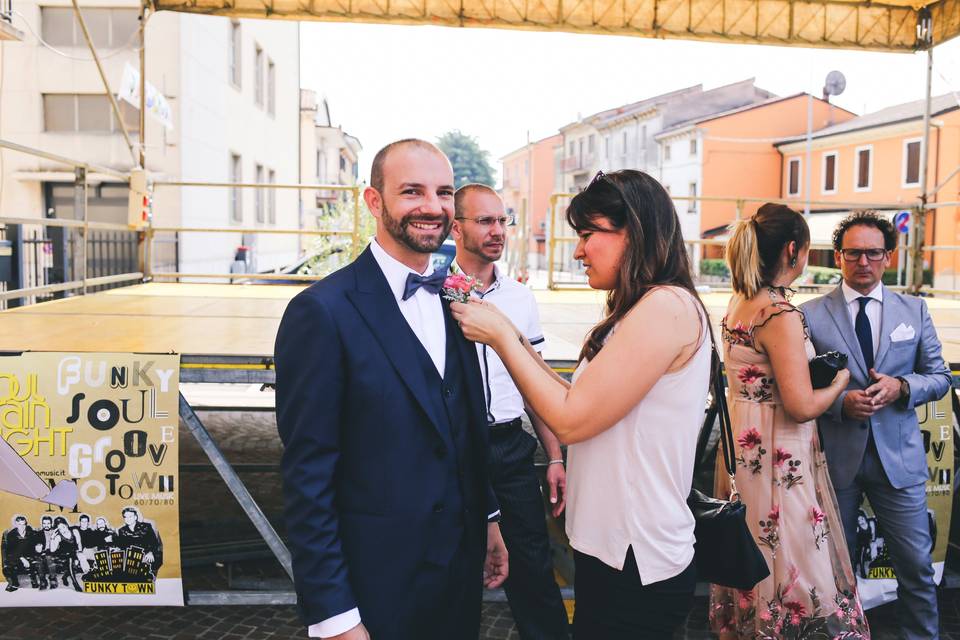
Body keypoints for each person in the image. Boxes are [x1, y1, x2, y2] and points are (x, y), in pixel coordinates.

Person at [453, 169, 710, 638]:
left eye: (589, 234)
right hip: (611, 550)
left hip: (638, 556)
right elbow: (576, 398)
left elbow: (571, 420)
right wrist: (508, 333)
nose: (577, 250)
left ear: (634, 231)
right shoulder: (641, 308)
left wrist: (500, 336)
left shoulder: (666, 308)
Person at [274, 139, 508, 640]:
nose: (432, 207)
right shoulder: (321, 313)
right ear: (374, 202)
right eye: (412, 191)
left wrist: (488, 519)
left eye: (444, 193)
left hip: (456, 582)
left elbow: (466, 425)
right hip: (375, 589)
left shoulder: (455, 298)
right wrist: (335, 616)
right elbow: (307, 477)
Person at [708, 203, 868, 637]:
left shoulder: (740, 302)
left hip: (743, 447)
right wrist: (839, 383)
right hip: (781, 456)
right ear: (792, 250)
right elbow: (799, 406)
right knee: (797, 558)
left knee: (757, 555)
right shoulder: (780, 313)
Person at [801, 211, 950, 640]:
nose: (863, 261)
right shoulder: (809, 314)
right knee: (832, 572)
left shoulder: (914, 310)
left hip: (898, 463)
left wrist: (902, 386)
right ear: (838, 257)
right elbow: (798, 388)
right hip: (835, 463)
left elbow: (939, 377)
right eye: (853, 253)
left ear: (889, 256)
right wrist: (838, 405)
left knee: (917, 569)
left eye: (872, 252)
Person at [451, 183, 569, 640]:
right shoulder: (432, 293)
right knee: (453, 571)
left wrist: (555, 456)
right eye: (485, 221)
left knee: (533, 569)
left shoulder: (520, 298)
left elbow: (534, 385)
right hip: (454, 449)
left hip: (508, 448)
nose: (497, 230)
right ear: (456, 228)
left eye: (502, 221)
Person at [115, 507, 162, 574]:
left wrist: (150, 552)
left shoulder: (146, 526)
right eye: (125, 517)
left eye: (130, 516)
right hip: (131, 558)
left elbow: (154, 542)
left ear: (135, 517)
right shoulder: (121, 530)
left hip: (146, 555)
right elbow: (122, 546)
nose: (128, 519)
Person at [2, 515, 39, 591]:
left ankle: (33, 579)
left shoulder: (30, 533)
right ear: (15, 525)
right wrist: (22, 558)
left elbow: (36, 541)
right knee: (9, 565)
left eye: (23, 524)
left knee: (34, 560)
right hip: (17, 556)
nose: (22, 527)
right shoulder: (11, 534)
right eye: (19, 524)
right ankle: (14, 583)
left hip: (29, 555)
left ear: (26, 524)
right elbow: (11, 550)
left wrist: (39, 544)